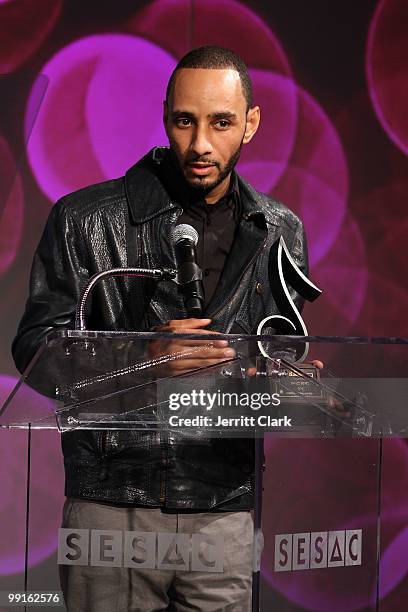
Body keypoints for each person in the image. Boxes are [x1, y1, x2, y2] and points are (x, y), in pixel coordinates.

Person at [12, 46, 308, 611]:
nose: (200, 144)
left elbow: (280, 349)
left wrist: (288, 381)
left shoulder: (279, 231)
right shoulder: (85, 219)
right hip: (113, 500)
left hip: (223, 503)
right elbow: (35, 350)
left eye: (221, 122)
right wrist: (146, 358)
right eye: (184, 121)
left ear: (251, 123)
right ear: (165, 114)